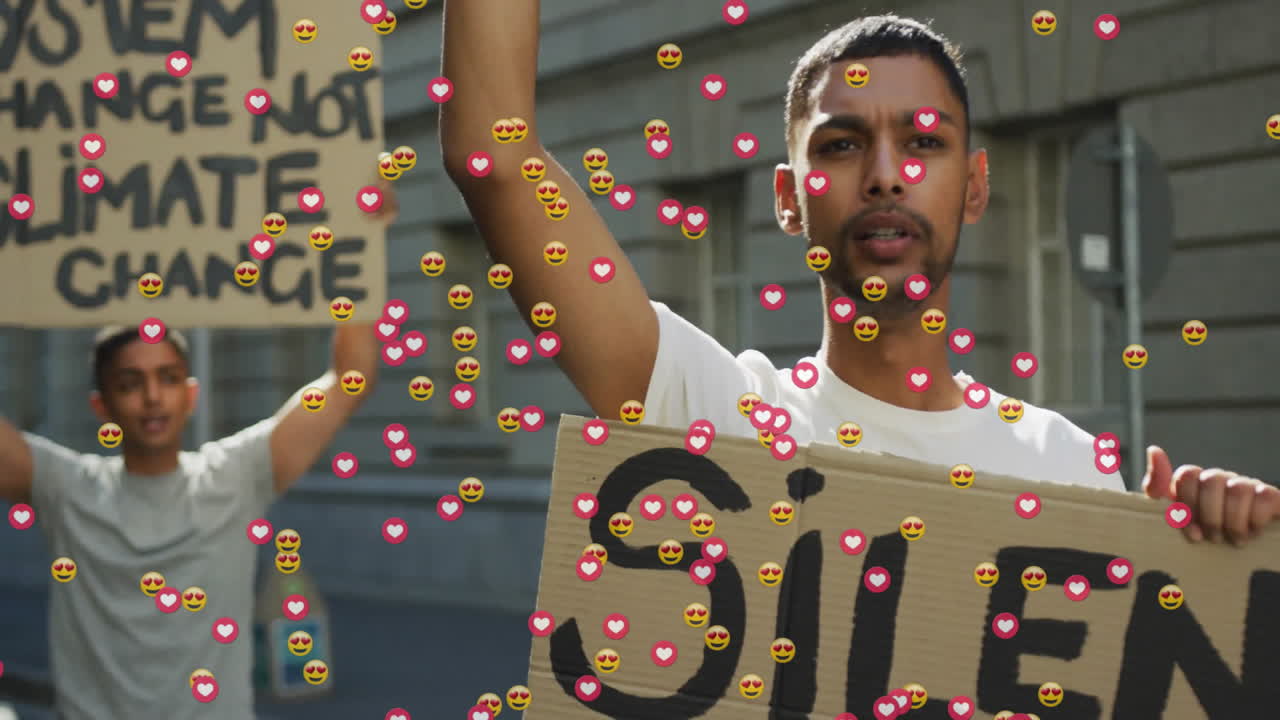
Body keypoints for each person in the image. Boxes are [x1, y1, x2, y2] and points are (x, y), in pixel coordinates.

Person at [439, 6, 1278, 545]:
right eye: (841, 145)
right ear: (787, 198)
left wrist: (1222, 550)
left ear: (975, 186)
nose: (885, 175)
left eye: (923, 143)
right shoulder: (722, 417)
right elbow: (494, 159)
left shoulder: (1069, 470)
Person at [0, 188, 396, 719]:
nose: (152, 397)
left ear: (191, 394)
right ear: (101, 404)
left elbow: (351, 379)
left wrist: (364, 242)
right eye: (130, 382)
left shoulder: (236, 474)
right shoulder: (64, 487)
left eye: (167, 378)